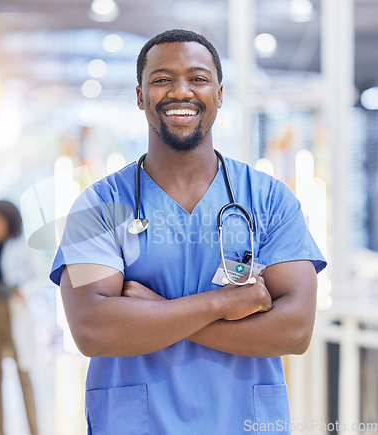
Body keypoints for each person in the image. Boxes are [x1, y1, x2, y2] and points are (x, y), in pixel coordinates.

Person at [50, 29, 327, 434]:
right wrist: (222, 305)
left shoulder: (270, 200)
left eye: (197, 78)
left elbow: (295, 329)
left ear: (219, 92)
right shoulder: (99, 205)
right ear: (141, 95)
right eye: (162, 79)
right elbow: (94, 330)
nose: (181, 91)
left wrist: (154, 312)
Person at [0, 200, 42, 435]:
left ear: (8, 220)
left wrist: (23, 290)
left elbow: (38, 277)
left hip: (15, 312)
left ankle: (34, 429)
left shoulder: (23, 246)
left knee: (24, 374)